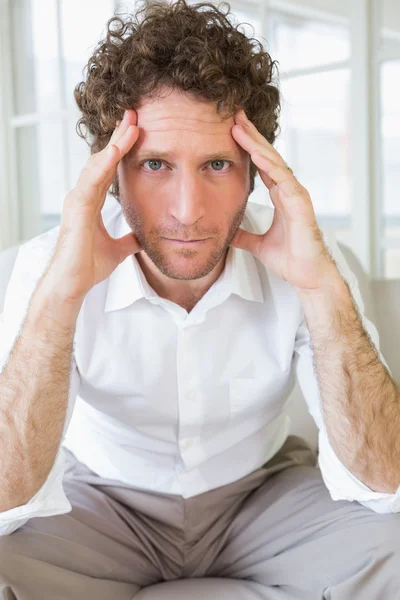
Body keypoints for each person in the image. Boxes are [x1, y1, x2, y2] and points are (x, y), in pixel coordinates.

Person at [0, 1, 399, 598]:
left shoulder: (310, 258)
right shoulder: (45, 266)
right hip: (101, 506)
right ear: (113, 174)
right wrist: (61, 297)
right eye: (154, 164)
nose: (187, 211)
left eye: (217, 164)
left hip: (259, 499)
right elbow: (6, 491)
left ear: (255, 171)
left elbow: (386, 476)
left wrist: (321, 287)